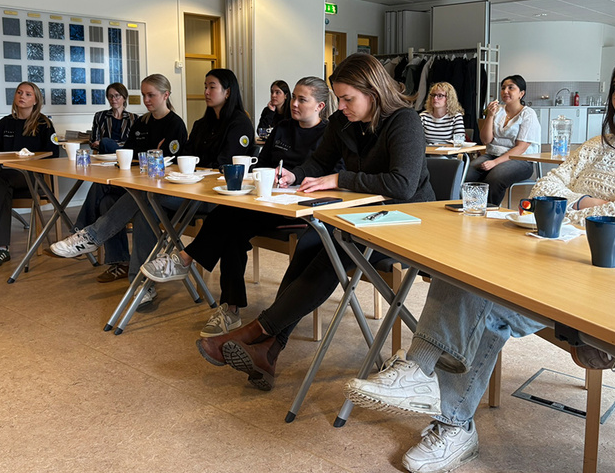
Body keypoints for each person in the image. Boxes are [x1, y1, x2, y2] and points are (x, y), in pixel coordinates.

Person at [344, 50, 615, 473]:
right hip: (554, 265)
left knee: (484, 295)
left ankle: (437, 398)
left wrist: (572, 203)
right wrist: (589, 203)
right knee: (471, 270)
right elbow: (540, 194)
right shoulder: (597, 146)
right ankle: (435, 397)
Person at [196, 52, 433, 391]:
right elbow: (318, 163)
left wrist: (341, 178)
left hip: (410, 220)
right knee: (314, 241)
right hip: (364, 216)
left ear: (374, 92)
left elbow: (403, 184)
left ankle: (257, 332)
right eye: (339, 98)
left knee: (333, 249)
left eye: (348, 99)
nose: (342, 106)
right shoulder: (343, 123)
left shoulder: (404, 121)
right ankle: (269, 348)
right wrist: (295, 175)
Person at [140, 77, 336, 337]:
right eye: (294, 98)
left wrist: (293, 177)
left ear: (320, 106)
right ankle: (229, 310)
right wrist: (265, 177)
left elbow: (330, 174)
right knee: (232, 225)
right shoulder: (282, 127)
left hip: (300, 210)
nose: (294, 104)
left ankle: (186, 260)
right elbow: (262, 163)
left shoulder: (329, 135)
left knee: (230, 219)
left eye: (303, 99)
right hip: (266, 202)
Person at [49, 68, 254, 307]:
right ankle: (141, 285)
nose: (206, 92)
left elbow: (225, 167)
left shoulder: (239, 123)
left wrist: (188, 169)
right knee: (143, 205)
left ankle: (93, 237)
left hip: (214, 198)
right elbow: (184, 157)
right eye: (205, 86)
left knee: (145, 198)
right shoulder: (202, 123)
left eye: (212, 87)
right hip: (187, 190)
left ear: (227, 92)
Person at [72, 74, 187, 283]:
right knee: (104, 193)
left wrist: (146, 158)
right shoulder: (141, 122)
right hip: (137, 183)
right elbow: (132, 155)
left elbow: (171, 163)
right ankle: (116, 260)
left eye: (151, 95)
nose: (146, 100)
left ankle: (83, 234)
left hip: (160, 190)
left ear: (166, 95)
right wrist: (149, 156)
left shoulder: (175, 124)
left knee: (111, 200)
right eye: (143, 95)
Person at [0, 82, 60, 268]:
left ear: (36, 100)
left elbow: (54, 157)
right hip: (6, 178)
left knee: (0, 179)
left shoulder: (44, 124)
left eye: (28, 94)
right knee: (2, 184)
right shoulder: (4, 123)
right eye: (19, 93)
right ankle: (2, 249)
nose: (22, 96)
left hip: (33, 177)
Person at [464, 75, 541, 205]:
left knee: (495, 177)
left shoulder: (528, 114)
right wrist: (490, 115)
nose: (505, 91)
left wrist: (495, 163)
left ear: (521, 93)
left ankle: (489, 210)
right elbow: (486, 140)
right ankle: (468, 207)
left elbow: (521, 147)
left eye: (511, 88)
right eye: (503, 88)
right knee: (466, 174)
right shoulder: (498, 110)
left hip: (521, 160)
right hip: (492, 155)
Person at [90, 83, 137, 154]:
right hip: (106, 154)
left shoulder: (133, 118)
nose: (113, 99)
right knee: (105, 142)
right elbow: (93, 142)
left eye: (117, 96)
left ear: (124, 98)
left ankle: (119, 153)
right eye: (110, 96)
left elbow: (135, 142)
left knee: (105, 141)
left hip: (126, 153)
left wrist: (116, 145)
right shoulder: (100, 116)